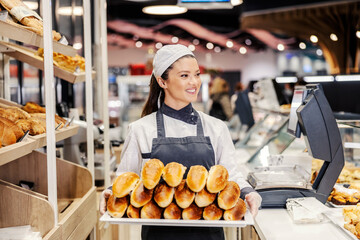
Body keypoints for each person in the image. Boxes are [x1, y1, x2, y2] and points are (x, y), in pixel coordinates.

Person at [99, 44, 262, 240]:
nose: (194, 82)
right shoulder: (140, 129)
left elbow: (231, 174)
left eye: (197, 74)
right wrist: (110, 192)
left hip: (208, 232)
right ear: (162, 81)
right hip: (158, 233)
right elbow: (126, 177)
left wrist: (248, 193)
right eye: (184, 76)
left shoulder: (216, 127)